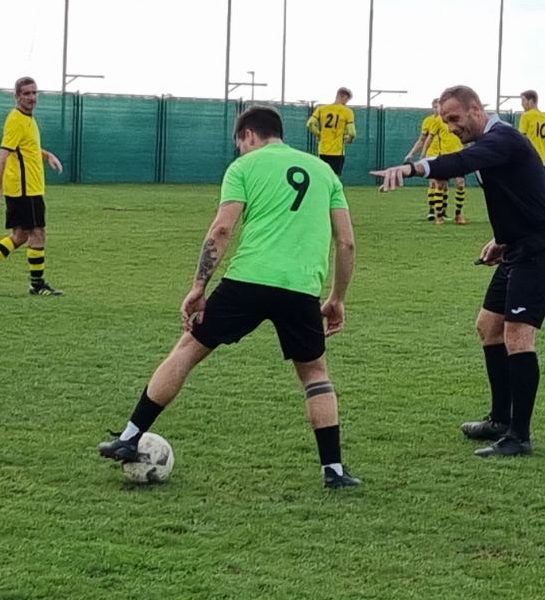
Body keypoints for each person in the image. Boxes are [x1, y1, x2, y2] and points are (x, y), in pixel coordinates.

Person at [98, 105, 361, 489]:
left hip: (247, 280)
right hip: (301, 288)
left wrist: (198, 287)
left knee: (187, 350)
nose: (240, 150)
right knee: (315, 375)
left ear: (249, 135)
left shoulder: (243, 168)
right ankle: (333, 471)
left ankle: (129, 436)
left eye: (240, 143)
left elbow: (222, 229)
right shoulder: (324, 172)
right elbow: (347, 242)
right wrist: (337, 297)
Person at [372, 85, 545, 458]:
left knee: (517, 336)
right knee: (488, 327)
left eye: (454, 118)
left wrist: (412, 167)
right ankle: (500, 419)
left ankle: (519, 436)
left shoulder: (503, 138)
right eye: (445, 121)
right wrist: (502, 239)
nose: (450, 127)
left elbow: (459, 162)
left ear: (476, 109)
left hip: (539, 250)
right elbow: (526, 195)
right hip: (518, 246)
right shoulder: (494, 144)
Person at [0, 77, 66, 296]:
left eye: (34, 93)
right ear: (17, 97)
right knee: (38, 233)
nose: (32, 97)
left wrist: (47, 155)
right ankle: (37, 285)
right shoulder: (15, 120)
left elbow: (27, 149)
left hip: (28, 187)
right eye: (26, 93)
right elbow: (3, 154)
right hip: (25, 189)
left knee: (21, 235)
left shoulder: (28, 120)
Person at [403, 98, 468, 224]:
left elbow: (467, 137)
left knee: (460, 184)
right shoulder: (436, 121)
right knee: (439, 185)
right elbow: (428, 138)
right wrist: (423, 154)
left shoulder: (460, 120)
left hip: (459, 157)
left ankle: (458, 214)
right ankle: (437, 214)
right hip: (443, 156)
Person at [307, 87, 356, 177]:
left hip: (323, 150)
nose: (346, 103)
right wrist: (349, 140)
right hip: (337, 151)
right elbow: (352, 133)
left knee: (324, 176)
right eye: (347, 100)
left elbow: (310, 124)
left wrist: (319, 134)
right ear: (344, 97)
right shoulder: (347, 112)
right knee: (335, 178)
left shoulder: (321, 109)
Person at [518, 90, 545, 180]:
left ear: (531, 101)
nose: (521, 104)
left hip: (529, 160)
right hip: (543, 161)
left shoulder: (526, 116)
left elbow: (521, 139)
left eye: (523, 100)